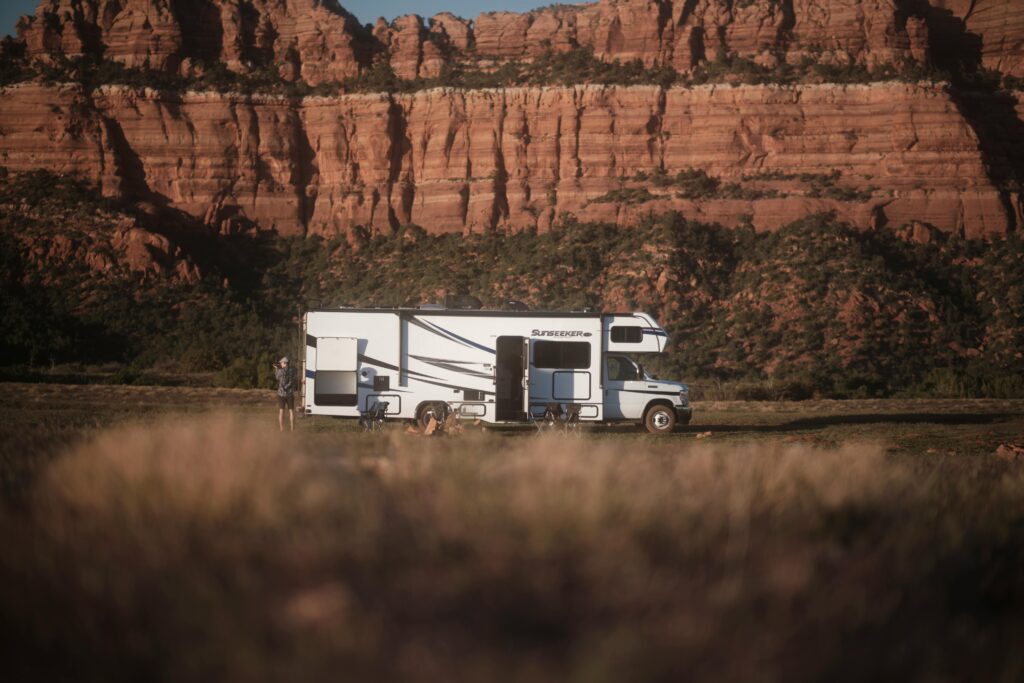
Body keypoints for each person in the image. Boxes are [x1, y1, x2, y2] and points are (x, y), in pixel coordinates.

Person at [274, 356, 296, 431]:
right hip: (290, 393)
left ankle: (281, 429)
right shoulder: (292, 370)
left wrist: (276, 369)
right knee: (291, 411)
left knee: (281, 411)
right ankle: (292, 428)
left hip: (281, 394)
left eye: (281, 363)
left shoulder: (280, 371)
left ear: (284, 363)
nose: (280, 364)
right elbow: (293, 380)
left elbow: (277, 377)